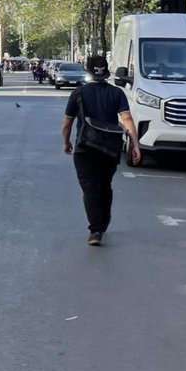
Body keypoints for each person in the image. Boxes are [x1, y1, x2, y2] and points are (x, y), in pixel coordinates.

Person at [62, 54, 141, 246]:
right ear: (106, 72)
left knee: (90, 188)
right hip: (109, 149)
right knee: (105, 185)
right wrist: (135, 145)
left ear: (88, 71)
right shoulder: (117, 93)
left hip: (84, 148)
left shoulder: (78, 93)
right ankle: (104, 222)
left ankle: (95, 230)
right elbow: (127, 119)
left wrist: (66, 142)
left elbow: (67, 123)